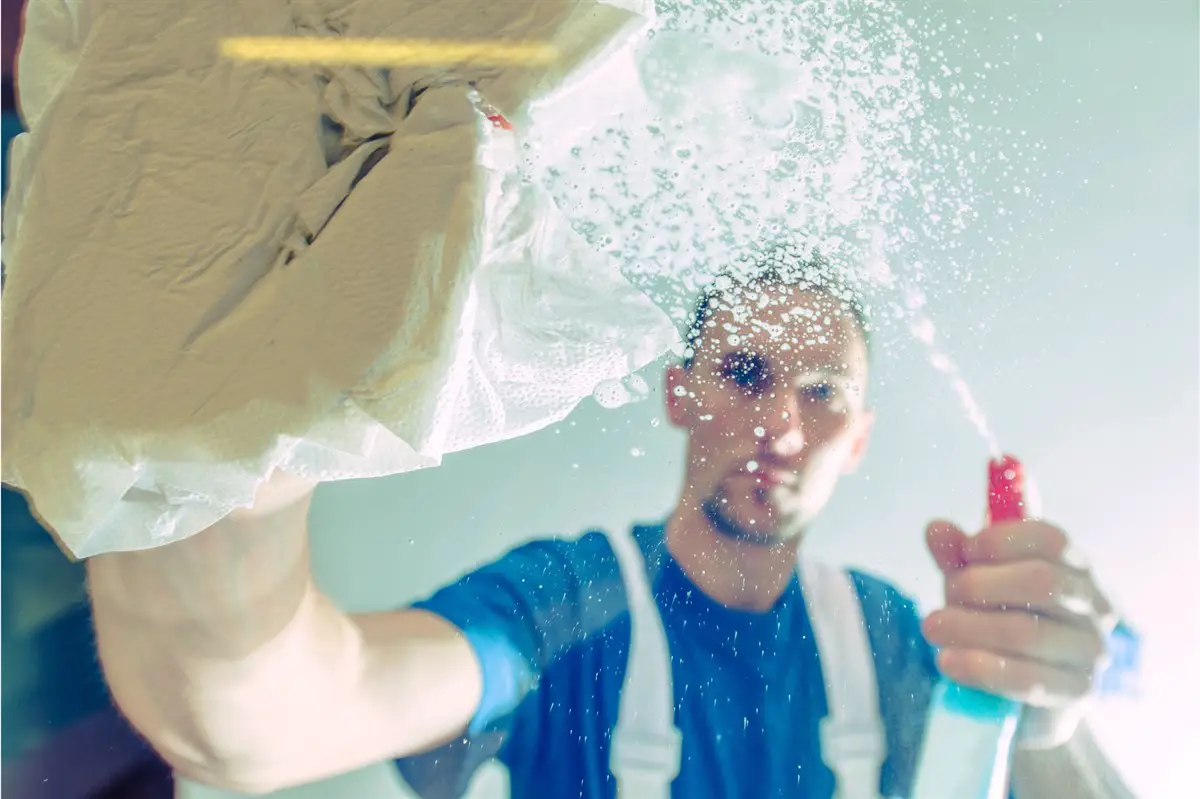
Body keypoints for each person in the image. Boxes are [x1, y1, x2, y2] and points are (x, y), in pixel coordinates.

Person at [86, 253, 1129, 799]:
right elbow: (276, 710)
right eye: (746, 374)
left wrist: (1047, 723)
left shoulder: (905, 638)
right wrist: (230, 399)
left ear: (857, 440)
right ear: (679, 392)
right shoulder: (562, 607)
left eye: (822, 393)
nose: (778, 425)